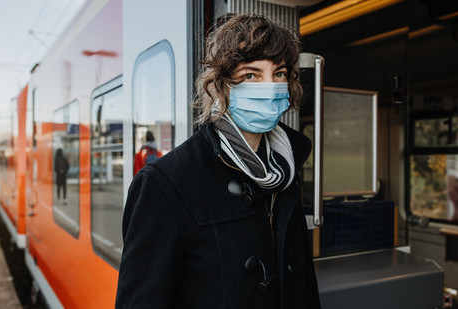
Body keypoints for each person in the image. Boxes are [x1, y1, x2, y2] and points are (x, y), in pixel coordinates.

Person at [116, 13, 321, 308]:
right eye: (251, 75)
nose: (270, 86)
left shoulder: (285, 167)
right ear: (220, 86)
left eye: (279, 74)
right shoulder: (164, 182)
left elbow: (303, 282)